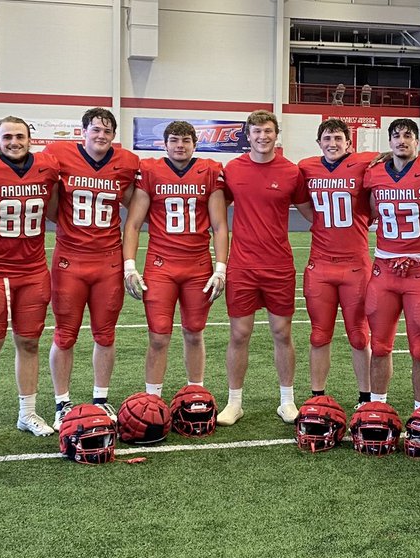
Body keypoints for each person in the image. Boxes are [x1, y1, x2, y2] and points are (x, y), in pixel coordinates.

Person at [0, 116, 61, 444]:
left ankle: (28, 413)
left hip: (32, 270)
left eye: (20, 136)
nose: (14, 142)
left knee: (29, 342)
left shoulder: (47, 167)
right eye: (7, 137)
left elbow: (57, 208)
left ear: (30, 138)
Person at [44, 108, 139, 427]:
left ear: (114, 135)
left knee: (105, 334)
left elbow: (132, 202)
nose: (101, 135)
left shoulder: (125, 163)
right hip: (70, 259)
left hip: (108, 261)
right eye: (96, 129)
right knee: (65, 334)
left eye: (107, 131)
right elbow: (52, 207)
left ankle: (101, 398)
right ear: (83, 132)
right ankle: (62, 402)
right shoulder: (60, 156)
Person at [121, 120, 229, 398]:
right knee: (158, 336)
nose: (180, 146)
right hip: (161, 265)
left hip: (198, 265)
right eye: (174, 140)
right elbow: (132, 224)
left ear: (195, 144)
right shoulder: (151, 170)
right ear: (164, 143)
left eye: (185, 141)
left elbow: (219, 225)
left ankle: (196, 394)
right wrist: (130, 266)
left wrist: (220, 269)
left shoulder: (210, 171)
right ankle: (152, 397)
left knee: (194, 332)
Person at [216, 110, 310, 425]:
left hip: (279, 266)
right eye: (256, 131)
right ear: (247, 135)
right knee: (239, 334)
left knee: (282, 333)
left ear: (276, 134)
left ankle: (287, 401)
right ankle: (234, 402)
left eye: (268, 131)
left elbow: (314, 213)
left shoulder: (291, 172)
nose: (262, 137)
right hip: (242, 266)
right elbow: (216, 210)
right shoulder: (233, 169)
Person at [362, 118, 420, 408]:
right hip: (384, 269)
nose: (402, 140)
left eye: (408, 135)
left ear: (417, 141)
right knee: (379, 345)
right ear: (389, 142)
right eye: (396, 136)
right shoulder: (375, 172)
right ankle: (377, 406)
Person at [298, 118, 376, 406]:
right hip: (320, 264)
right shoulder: (306, 167)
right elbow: (307, 209)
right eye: (327, 138)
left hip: (356, 264)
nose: (333, 143)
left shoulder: (364, 163)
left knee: (359, 334)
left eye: (338, 138)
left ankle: (365, 397)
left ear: (349, 143)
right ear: (319, 142)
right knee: (319, 334)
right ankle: (317, 396)